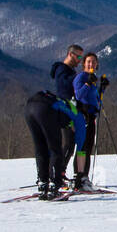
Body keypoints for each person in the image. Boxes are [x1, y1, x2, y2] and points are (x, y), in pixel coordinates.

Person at [23, 89, 88, 199]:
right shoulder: (80, 118)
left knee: (41, 148)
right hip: (46, 109)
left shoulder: (66, 104)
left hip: (29, 108)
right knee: (55, 149)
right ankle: (54, 186)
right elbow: (81, 150)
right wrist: (80, 175)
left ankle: (43, 184)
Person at [72, 52, 110, 189]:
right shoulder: (81, 77)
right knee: (82, 147)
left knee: (88, 148)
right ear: (84, 64)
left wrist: (102, 88)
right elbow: (79, 94)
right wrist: (88, 83)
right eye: (88, 62)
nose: (91, 64)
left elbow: (95, 98)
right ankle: (79, 177)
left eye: (93, 62)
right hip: (83, 116)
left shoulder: (92, 79)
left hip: (91, 116)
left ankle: (84, 177)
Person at [50, 44, 83, 180]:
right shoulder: (62, 69)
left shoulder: (68, 71)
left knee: (70, 143)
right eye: (78, 56)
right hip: (65, 110)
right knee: (68, 143)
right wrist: (79, 77)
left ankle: (59, 173)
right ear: (70, 54)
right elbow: (63, 88)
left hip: (71, 109)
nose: (80, 60)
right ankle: (56, 174)